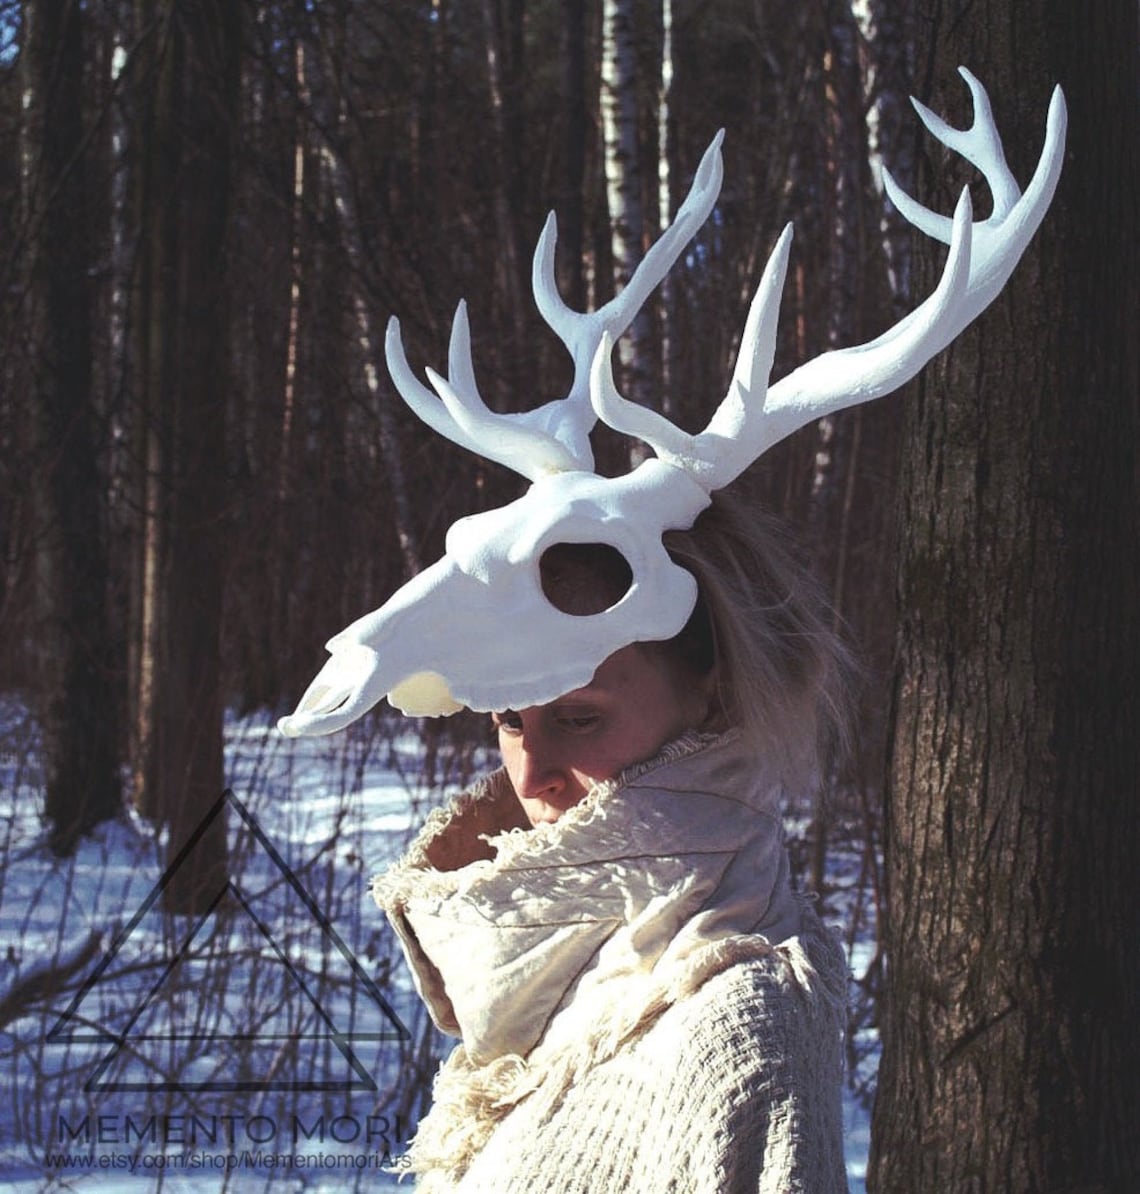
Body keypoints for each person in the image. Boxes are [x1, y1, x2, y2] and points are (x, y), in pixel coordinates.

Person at [373, 490, 853, 1193]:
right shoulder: (562, 966)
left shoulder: (738, 1030)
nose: (529, 775)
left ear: (711, 696)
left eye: (577, 718)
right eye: (510, 719)